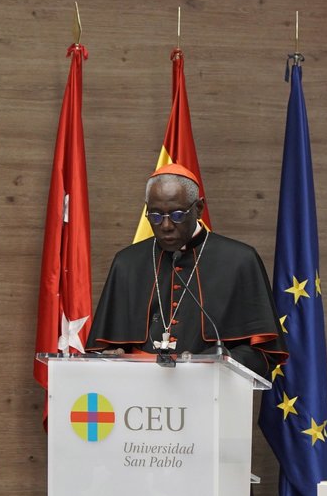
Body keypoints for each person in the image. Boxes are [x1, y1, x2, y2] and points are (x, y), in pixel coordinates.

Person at [85, 163, 288, 380]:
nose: (165, 225)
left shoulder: (240, 261)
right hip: (138, 390)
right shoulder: (127, 263)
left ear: (199, 208)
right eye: (155, 216)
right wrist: (113, 356)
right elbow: (105, 348)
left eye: (177, 215)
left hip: (210, 390)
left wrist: (223, 359)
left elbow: (264, 354)